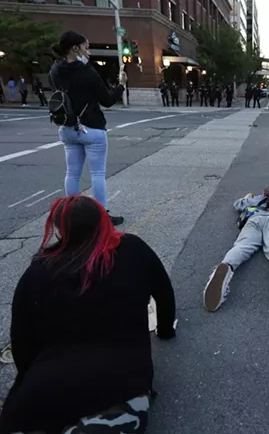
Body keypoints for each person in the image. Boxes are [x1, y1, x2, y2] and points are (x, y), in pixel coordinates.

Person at [0, 195, 176, 434]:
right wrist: (166, 331)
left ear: (60, 230)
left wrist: (31, 375)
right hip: (120, 384)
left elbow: (21, 337)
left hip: (44, 388)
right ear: (102, 221)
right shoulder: (133, 248)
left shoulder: (40, 269)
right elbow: (164, 294)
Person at [49, 31, 126, 226]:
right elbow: (107, 100)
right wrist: (121, 85)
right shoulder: (87, 72)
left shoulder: (55, 70)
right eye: (86, 47)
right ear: (75, 48)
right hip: (91, 127)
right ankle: (102, 216)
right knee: (97, 174)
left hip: (66, 127)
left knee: (72, 173)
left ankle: (71, 215)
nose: (88, 52)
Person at [203, 188, 269, 313]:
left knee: (242, 246)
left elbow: (237, 204)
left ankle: (226, 265)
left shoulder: (258, 199)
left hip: (254, 218)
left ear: (264, 194)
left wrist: (247, 197)